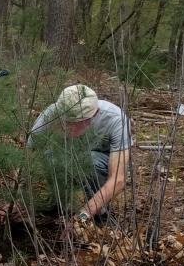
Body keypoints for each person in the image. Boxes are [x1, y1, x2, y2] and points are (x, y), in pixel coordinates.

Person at [29, 84, 132, 225]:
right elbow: (29, 156)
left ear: (92, 116)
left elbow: (118, 180)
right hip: (70, 156)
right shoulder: (51, 114)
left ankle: (101, 214)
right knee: (49, 156)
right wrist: (16, 199)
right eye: (63, 120)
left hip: (101, 163)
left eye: (72, 122)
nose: (65, 126)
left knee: (90, 160)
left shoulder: (116, 120)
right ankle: (58, 203)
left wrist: (81, 217)